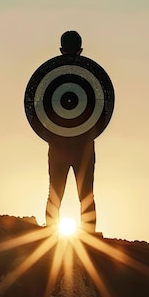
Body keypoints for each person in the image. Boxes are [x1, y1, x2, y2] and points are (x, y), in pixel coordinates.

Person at [45, 30, 97, 233]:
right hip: (83, 145)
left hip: (58, 144)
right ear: (81, 51)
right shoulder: (90, 77)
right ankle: (89, 235)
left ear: (60, 50)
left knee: (55, 194)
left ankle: (50, 233)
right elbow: (100, 107)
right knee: (86, 195)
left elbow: (40, 107)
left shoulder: (51, 78)